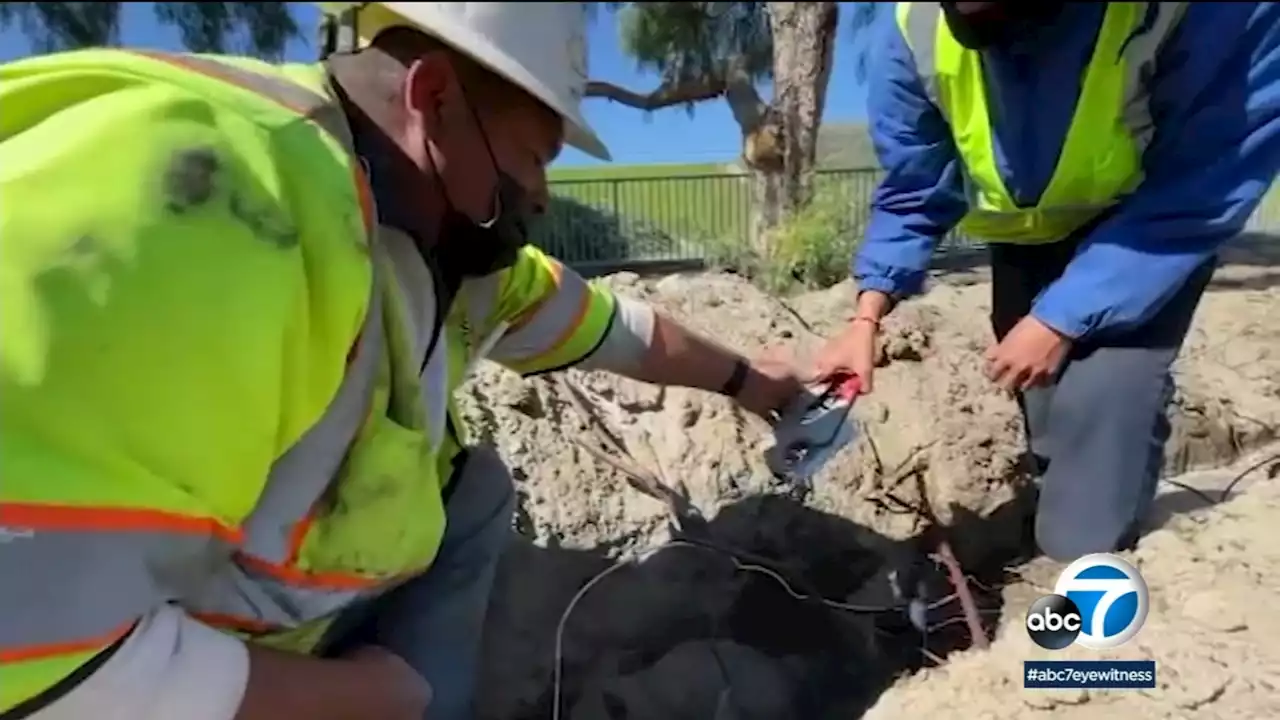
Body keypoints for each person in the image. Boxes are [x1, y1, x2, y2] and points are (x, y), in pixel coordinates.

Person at [0, 3, 808, 719]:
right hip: (138, 674)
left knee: (476, 492)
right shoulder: (213, 211)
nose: (540, 196)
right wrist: (377, 696)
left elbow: (623, 331)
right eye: (533, 157)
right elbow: (39, 657)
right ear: (434, 99)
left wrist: (751, 382)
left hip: (259, 620)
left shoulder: (435, 233)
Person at [812, 2, 1280, 562]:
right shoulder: (913, 30)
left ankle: (1086, 570)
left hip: (1142, 237)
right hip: (1026, 243)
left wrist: (1061, 316)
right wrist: (866, 318)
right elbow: (915, 188)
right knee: (1048, 422)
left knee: (1099, 417)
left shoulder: (1206, 13)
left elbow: (1205, 179)